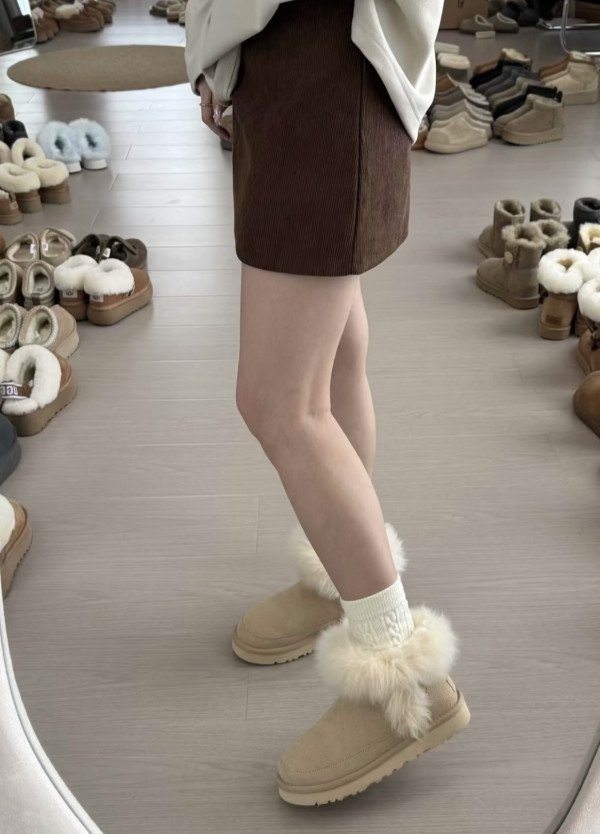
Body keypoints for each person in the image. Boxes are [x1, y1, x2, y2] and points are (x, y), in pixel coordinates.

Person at [185, 0, 470, 806]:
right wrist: (223, 52)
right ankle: (338, 578)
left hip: (323, 55)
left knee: (280, 401)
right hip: (300, 53)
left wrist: (213, 38)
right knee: (336, 355)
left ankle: (398, 682)